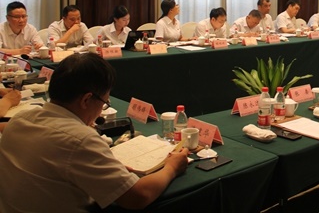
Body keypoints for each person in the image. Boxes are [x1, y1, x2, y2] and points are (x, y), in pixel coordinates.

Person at [0, 53, 188, 211]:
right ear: (86, 100)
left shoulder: (20, 120)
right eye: (104, 102)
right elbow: (138, 197)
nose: (101, 110)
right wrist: (171, 167)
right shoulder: (79, 139)